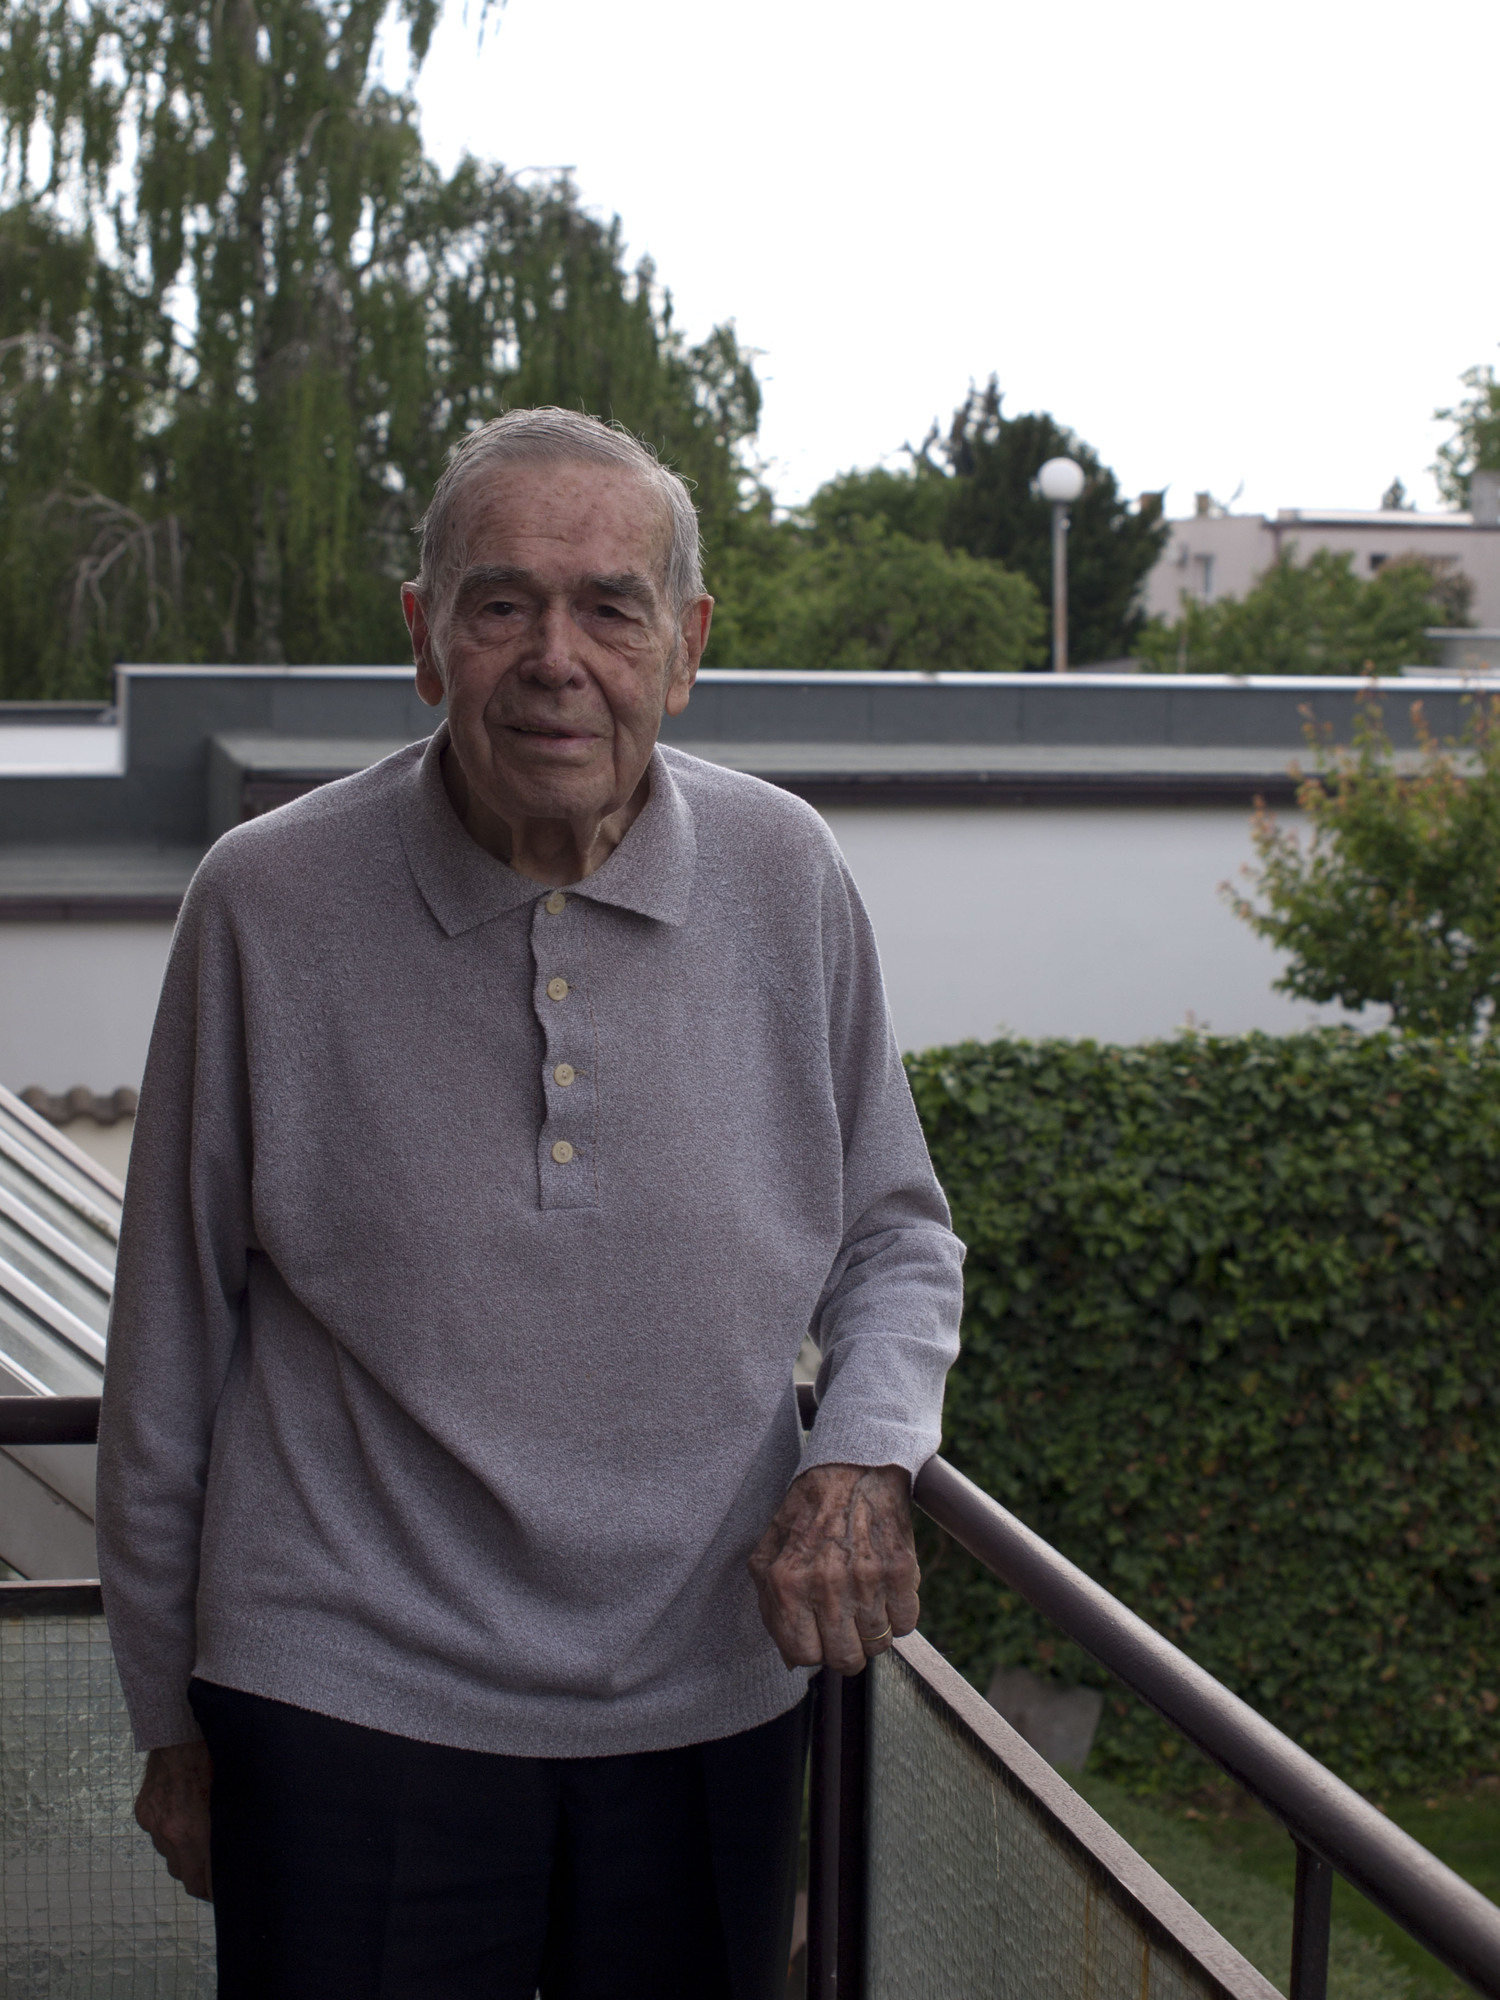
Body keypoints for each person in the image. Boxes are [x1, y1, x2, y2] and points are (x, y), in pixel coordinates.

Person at [96, 407, 964, 1999]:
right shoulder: (263, 901)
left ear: (686, 647)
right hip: (341, 1698)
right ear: (425, 640)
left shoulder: (789, 874)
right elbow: (169, 1340)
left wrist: (862, 1453)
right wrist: (169, 1714)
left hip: (712, 1692)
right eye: (502, 605)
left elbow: (896, 1233)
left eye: (610, 607)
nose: (556, 658)